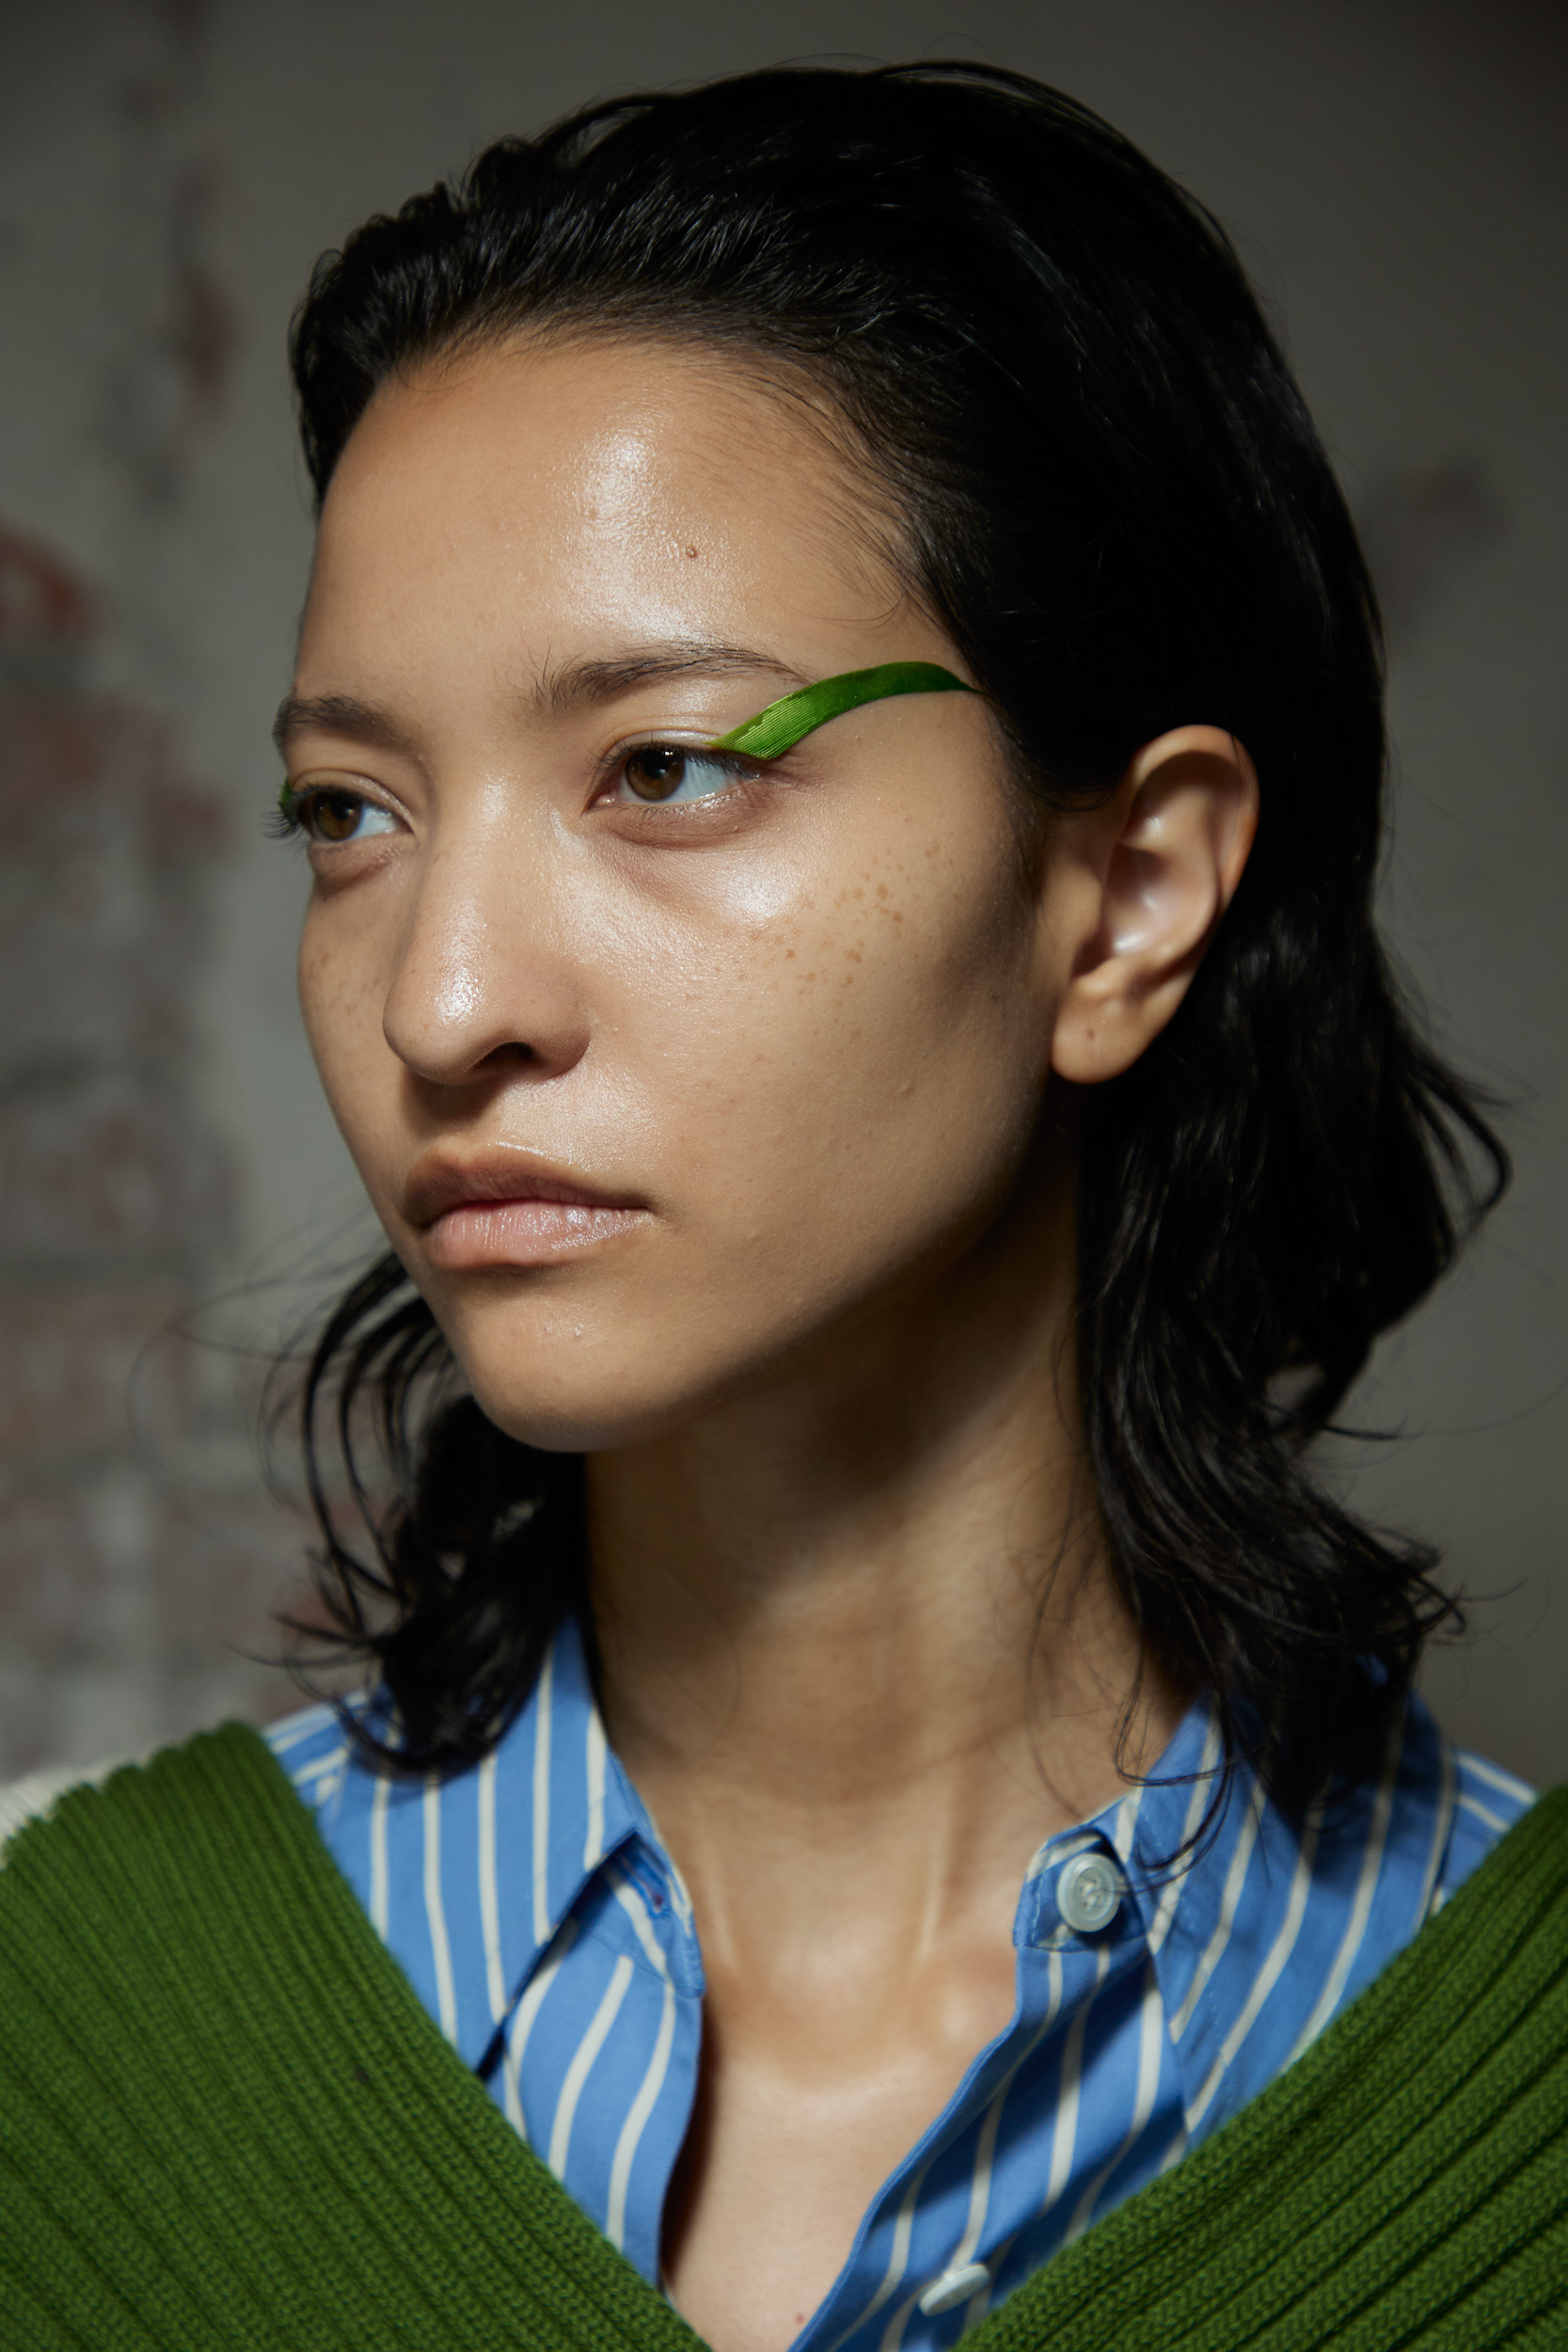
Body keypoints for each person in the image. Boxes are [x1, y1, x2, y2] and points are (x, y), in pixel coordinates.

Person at [3, 61, 1564, 2352]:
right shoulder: (73, 2011)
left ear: (1123, 895)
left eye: (665, 766)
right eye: (352, 809)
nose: (441, 997)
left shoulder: (1505, 2094)